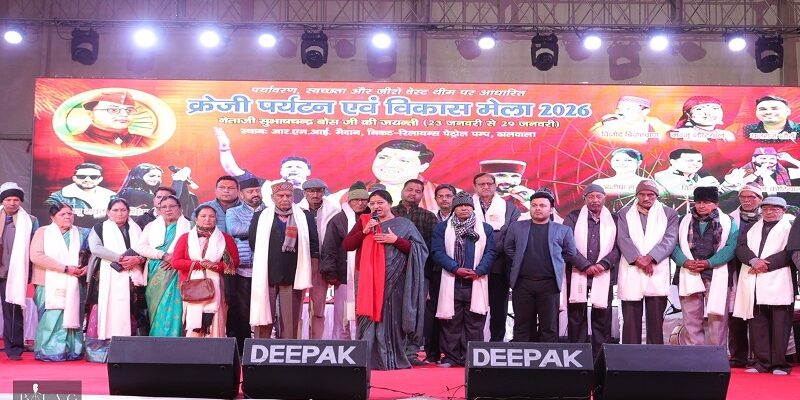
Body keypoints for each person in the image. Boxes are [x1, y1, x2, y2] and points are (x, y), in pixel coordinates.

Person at [341, 189, 427, 370]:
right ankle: (366, 356)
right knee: (367, 315)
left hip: (394, 278)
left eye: (380, 203)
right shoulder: (364, 221)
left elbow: (419, 249)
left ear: (389, 204)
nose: (376, 206)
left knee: (391, 315)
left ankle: (390, 357)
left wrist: (395, 240)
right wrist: (364, 231)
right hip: (367, 278)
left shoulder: (404, 224)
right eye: (372, 203)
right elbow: (347, 245)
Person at [431, 192, 496, 367]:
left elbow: (491, 252)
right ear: (454, 209)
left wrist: (479, 271)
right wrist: (455, 268)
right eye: (460, 206)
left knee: (475, 323)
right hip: (451, 281)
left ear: (473, 208)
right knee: (450, 322)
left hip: (476, 282)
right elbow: (437, 252)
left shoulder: (485, 229)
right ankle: (451, 357)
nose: (464, 208)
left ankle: (472, 357)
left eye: (467, 205)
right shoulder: (442, 228)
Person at [249, 182, 319, 339]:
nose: (285, 199)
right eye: (281, 196)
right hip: (267, 274)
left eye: (289, 195)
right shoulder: (261, 216)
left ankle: (288, 351)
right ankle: (261, 349)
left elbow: (313, 243)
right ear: (272, 198)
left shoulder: (304, 216)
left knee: (290, 320)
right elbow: (253, 242)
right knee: (263, 318)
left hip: (293, 274)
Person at [504, 192, 577, 342]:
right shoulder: (516, 227)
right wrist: (520, 259)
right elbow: (508, 248)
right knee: (522, 326)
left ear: (551, 209)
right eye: (534, 205)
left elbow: (570, 252)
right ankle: (523, 356)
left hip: (549, 284)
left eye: (542, 205)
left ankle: (548, 357)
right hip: (522, 283)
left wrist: (555, 261)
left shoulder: (563, 230)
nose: (538, 208)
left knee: (549, 327)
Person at [734, 196, 795, 375]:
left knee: (780, 325)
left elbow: (791, 251)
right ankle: (762, 362)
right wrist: (753, 261)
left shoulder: (790, 227)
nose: (769, 212)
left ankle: (779, 364)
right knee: (758, 324)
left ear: (783, 210)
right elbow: (741, 247)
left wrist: (766, 264)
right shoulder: (751, 227)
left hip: (780, 279)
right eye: (766, 209)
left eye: (774, 209)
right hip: (754, 280)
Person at [670, 187, 738, 346]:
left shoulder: (729, 222)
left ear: (716, 204)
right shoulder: (682, 220)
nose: (702, 206)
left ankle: (716, 355)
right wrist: (684, 262)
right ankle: (694, 355)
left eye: (707, 202)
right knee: (691, 319)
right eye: (699, 202)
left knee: (717, 318)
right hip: (688, 273)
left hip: (716, 274)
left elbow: (732, 246)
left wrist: (710, 262)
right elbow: (672, 244)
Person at [616, 180, 679, 345]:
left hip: (656, 267)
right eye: (642, 194)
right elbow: (622, 238)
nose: (646, 198)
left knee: (656, 321)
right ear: (636, 195)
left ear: (656, 196)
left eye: (650, 194)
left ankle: (655, 355)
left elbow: (670, 239)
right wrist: (638, 259)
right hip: (632, 267)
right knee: (630, 320)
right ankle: (630, 354)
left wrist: (650, 257)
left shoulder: (669, 213)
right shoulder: (624, 213)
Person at [85, 198, 147, 362]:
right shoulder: (99, 228)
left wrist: (138, 259)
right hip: (105, 275)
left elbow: (144, 248)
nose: (120, 213)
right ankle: (100, 352)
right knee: (102, 309)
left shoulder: (136, 229)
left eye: (123, 210)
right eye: (115, 210)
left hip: (131, 277)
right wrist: (120, 258)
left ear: (129, 212)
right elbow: (95, 248)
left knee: (130, 310)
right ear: (108, 212)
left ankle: (128, 352)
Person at [563, 184, 620, 357]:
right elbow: (566, 244)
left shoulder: (615, 219)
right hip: (578, 272)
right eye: (591, 196)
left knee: (602, 316)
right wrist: (585, 265)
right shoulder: (573, 217)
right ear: (584, 199)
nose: (595, 200)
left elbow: (619, 247)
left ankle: (600, 356)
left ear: (604, 198)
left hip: (604, 273)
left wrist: (603, 264)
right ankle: (577, 355)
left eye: (598, 196)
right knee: (576, 316)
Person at [29, 203, 87, 361]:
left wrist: (87, 268)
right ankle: (49, 351)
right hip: (47, 282)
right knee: (51, 316)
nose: (68, 216)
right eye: (62, 214)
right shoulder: (43, 232)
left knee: (73, 313)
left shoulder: (81, 233)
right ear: (52, 217)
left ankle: (72, 350)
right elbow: (36, 256)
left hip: (75, 282)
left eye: (70, 213)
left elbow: (90, 255)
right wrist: (65, 268)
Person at [172, 206, 239, 337]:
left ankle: (215, 348)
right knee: (194, 327)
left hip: (219, 287)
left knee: (216, 323)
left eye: (211, 216)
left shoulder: (225, 238)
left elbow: (235, 262)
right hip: (192, 288)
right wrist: (199, 265)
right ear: (196, 219)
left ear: (216, 219)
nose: (207, 219)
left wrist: (216, 266)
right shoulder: (185, 238)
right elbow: (176, 262)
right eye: (203, 216)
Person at [390, 179, 438, 364]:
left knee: (415, 311)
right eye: (410, 190)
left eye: (418, 191)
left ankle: (411, 352)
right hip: (392, 271)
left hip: (419, 272)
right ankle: (393, 349)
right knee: (393, 310)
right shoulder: (390, 213)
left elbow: (431, 247)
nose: (413, 193)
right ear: (402, 191)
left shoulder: (428, 216)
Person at [132, 195, 191, 337]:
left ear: (180, 208)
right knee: (157, 308)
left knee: (175, 307)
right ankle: (157, 341)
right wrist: (162, 255)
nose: (168, 209)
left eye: (172, 206)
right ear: (159, 209)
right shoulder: (151, 226)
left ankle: (175, 340)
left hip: (179, 271)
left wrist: (176, 258)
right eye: (164, 207)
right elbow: (140, 247)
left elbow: (196, 248)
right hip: (156, 271)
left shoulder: (191, 226)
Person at [472, 172, 521, 342]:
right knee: (473, 307)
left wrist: (489, 252)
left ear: (495, 186)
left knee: (498, 307)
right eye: (481, 184)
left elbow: (510, 236)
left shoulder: (511, 208)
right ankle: (473, 344)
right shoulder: (465, 206)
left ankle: (496, 342)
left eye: (489, 184)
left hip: (499, 265)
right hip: (471, 264)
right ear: (475, 187)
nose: (486, 187)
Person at [321, 181, 371, 340]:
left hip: (368, 276)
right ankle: (342, 347)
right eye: (356, 200)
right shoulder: (338, 220)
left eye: (364, 200)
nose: (360, 203)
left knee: (365, 314)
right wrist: (330, 273)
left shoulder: (373, 219)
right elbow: (329, 247)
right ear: (349, 200)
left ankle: (364, 346)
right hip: (344, 276)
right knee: (343, 317)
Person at [213, 126, 311, 203]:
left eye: (298, 167)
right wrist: (224, 148)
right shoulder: (266, 186)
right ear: (281, 171)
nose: (293, 169)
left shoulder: (316, 190)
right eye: (289, 167)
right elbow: (232, 170)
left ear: (308, 171)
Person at [224, 177, 266, 350]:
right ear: (241, 195)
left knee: (263, 311)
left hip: (264, 268)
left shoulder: (270, 211)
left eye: (257, 191)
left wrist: (248, 231)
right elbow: (234, 230)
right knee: (242, 311)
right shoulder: (232, 212)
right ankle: (243, 350)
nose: (255, 194)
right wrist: (262, 228)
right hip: (242, 268)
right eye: (250, 191)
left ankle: (262, 347)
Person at [0, 182, 39, 361]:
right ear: (2, 200)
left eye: (16, 199)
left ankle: (14, 348)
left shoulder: (30, 221)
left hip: (13, 273)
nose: (12, 203)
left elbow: (34, 247)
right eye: (8, 199)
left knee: (13, 311)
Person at [298, 178, 341, 339]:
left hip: (322, 262)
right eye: (311, 191)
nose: (315, 194)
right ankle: (296, 343)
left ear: (323, 192)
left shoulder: (334, 211)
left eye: (319, 191)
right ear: (304, 193)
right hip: (300, 263)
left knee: (318, 307)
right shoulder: (296, 210)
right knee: (296, 308)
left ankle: (316, 342)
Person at [728, 184, 763, 367]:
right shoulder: (729, 218)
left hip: (761, 270)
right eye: (743, 197)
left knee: (759, 315)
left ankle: (760, 357)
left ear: (760, 199)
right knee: (736, 315)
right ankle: (737, 356)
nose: (747, 200)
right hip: (735, 269)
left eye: (752, 197)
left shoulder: (769, 217)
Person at [71, 90, 155, 149]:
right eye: (113, 110)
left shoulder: (148, 142)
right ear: (90, 114)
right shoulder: (75, 141)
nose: (125, 114)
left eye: (129, 110)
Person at [45, 162, 116, 221]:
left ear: (100, 179)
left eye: (93, 177)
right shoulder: (58, 197)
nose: (87, 180)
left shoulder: (111, 197)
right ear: (74, 178)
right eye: (82, 177)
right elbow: (47, 216)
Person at [590, 95, 671, 143]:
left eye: (628, 109)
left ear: (645, 112)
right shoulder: (607, 126)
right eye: (618, 109)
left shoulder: (659, 127)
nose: (621, 112)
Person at [653, 149, 725, 199]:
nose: (696, 164)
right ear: (673, 162)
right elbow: (678, 194)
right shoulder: (661, 176)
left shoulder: (698, 176)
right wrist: (702, 188)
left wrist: (725, 186)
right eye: (690, 160)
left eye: (699, 161)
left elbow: (715, 196)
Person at [669, 96, 735, 142]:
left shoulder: (727, 135)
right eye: (699, 109)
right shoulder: (678, 134)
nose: (709, 113)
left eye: (715, 108)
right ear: (688, 115)